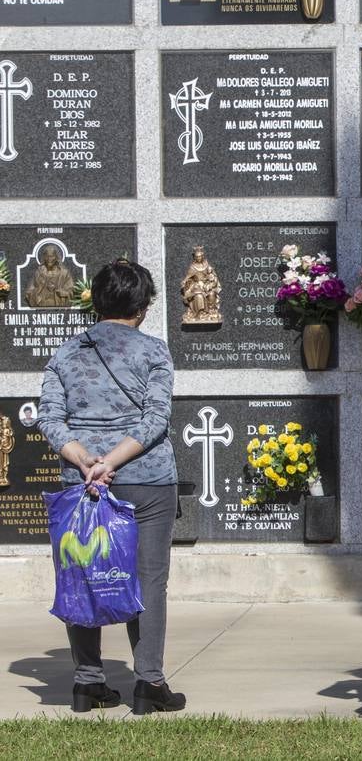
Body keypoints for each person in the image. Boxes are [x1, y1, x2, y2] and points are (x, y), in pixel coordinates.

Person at [37, 260, 184, 715]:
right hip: (146, 480)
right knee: (149, 580)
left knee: (81, 573)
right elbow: (155, 419)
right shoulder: (154, 351)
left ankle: (86, 683)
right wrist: (112, 462)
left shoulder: (65, 353)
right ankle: (149, 684)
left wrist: (85, 461)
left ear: (95, 301)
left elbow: (49, 417)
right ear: (143, 306)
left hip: (82, 484)